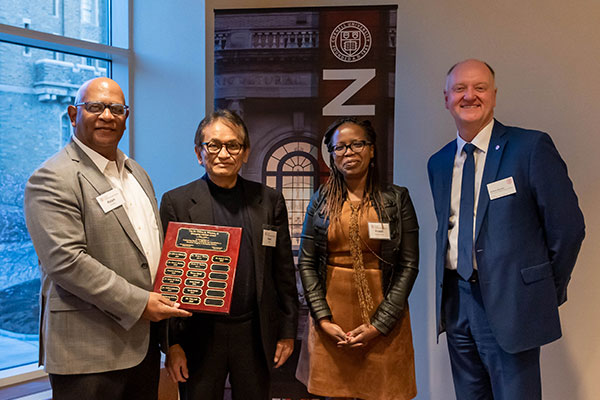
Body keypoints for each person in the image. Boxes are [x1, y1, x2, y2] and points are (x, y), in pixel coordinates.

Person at [23, 77, 192, 400]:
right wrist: (141, 303)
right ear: (74, 115)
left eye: (116, 109)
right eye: (95, 107)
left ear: (126, 118)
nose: (106, 116)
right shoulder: (52, 178)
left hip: (140, 348)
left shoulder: (136, 172)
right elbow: (66, 262)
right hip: (87, 353)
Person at [428, 59, 585, 399]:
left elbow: (568, 228)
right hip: (457, 304)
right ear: (446, 98)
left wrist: (539, 291)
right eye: (459, 89)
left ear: (494, 96)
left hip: (512, 305)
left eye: (479, 88)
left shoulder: (529, 148)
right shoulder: (438, 163)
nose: (469, 96)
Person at [160, 109, 299, 400]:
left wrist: (287, 330)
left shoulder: (269, 201)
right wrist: (172, 344)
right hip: (199, 334)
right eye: (213, 145)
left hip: (253, 332)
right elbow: (169, 280)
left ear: (245, 152)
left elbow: (283, 270)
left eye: (233, 145)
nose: (223, 153)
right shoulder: (177, 202)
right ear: (200, 153)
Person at [297, 117, 419, 400]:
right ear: (332, 156)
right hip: (331, 319)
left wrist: (381, 323)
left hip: (384, 319)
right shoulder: (320, 200)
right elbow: (307, 262)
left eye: (357, 144)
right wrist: (323, 319)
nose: (348, 152)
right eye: (340, 148)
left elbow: (408, 265)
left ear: (372, 149)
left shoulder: (397, 198)